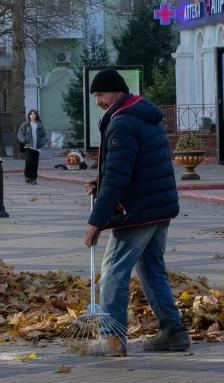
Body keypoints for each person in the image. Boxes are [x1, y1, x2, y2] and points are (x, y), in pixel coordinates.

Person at [84, 68, 189, 356]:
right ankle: (174, 332)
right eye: (94, 95)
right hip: (158, 207)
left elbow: (120, 177)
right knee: (152, 270)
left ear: (117, 92)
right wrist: (100, 182)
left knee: (113, 272)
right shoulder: (144, 115)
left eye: (100, 94)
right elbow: (136, 166)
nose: (98, 101)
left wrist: (96, 222)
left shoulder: (124, 122)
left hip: (138, 210)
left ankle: (112, 339)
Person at [17, 109, 47, 184]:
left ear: (36, 116)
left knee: (35, 163)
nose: (33, 116)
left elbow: (43, 135)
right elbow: (20, 133)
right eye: (31, 114)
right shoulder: (25, 124)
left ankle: (33, 179)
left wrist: (42, 143)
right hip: (28, 146)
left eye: (34, 114)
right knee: (28, 162)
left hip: (36, 147)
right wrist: (24, 140)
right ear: (29, 116)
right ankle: (27, 176)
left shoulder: (39, 125)